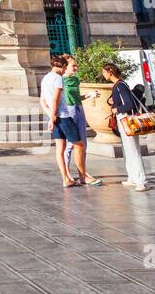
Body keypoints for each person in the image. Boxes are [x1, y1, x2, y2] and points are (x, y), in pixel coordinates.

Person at [40, 54, 101, 188]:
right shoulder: (57, 79)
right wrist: (53, 117)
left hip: (55, 117)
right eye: (65, 67)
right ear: (62, 66)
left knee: (59, 149)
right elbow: (55, 99)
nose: (64, 71)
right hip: (63, 116)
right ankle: (83, 176)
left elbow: (42, 101)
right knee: (79, 145)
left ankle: (66, 178)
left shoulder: (45, 78)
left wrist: (50, 115)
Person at [103, 62, 149, 192]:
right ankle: (132, 178)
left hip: (127, 119)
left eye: (104, 72)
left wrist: (116, 109)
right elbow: (115, 100)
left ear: (110, 72)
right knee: (128, 150)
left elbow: (129, 105)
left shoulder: (120, 86)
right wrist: (111, 102)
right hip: (122, 120)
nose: (103, 74)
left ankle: (141, 181)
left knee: (133, 150)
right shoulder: (118, 85)